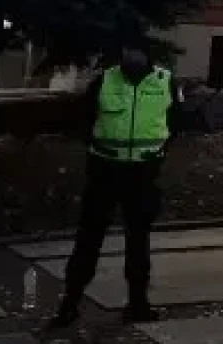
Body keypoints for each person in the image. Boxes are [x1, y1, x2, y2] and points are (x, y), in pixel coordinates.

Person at [51, 38, 185, 328]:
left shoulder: (166, 81)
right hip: (104, 172)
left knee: (138, 241)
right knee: (88, 239)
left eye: (136, 50)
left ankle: (138, 304)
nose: (131, 56)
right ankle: (69, 304)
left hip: (143, 175)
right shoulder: (105, 80)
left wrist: (155, 154)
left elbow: (176, 122)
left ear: (147, 55)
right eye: (127, 50)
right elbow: (83, 120)